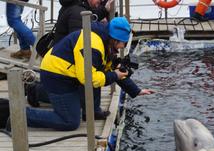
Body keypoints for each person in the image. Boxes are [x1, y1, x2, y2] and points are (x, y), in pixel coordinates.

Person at [24, 17, 154, 131]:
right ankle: (20, 115)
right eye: (123, 43)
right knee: (70, 121)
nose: (123, 47)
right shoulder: (93, 45)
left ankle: (35, 91)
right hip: (56, 76)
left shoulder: (104, 42)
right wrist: (114, 75)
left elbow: (112, 69)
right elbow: (89, 79)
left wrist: (136, 91)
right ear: (115, 39)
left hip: (67, 75)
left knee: (81, 101)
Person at [27, 0, 115, 119]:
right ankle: (36, 91)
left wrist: (103, 12)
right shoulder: (77, 12)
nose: (100, 2)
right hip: (64, 61)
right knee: (89, 78)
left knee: (91, 75)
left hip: (65, 57)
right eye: (98, 0)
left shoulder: (78, 6)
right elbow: (82, 41)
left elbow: (88, 18)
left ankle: (92, 111)